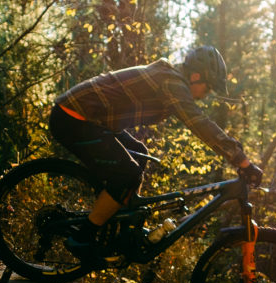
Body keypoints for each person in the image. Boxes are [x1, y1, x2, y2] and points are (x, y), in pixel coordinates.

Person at [49, 45, 263, 263]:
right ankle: (82, 236)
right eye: (207, 88)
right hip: (72, 118)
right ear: (196, 76)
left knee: (140, 154)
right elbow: (199, 123)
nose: (206, 94)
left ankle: (124, 230)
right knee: (128, 173)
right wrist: (241, 160)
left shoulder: (171, 78)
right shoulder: (172, 82)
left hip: (91, 120)